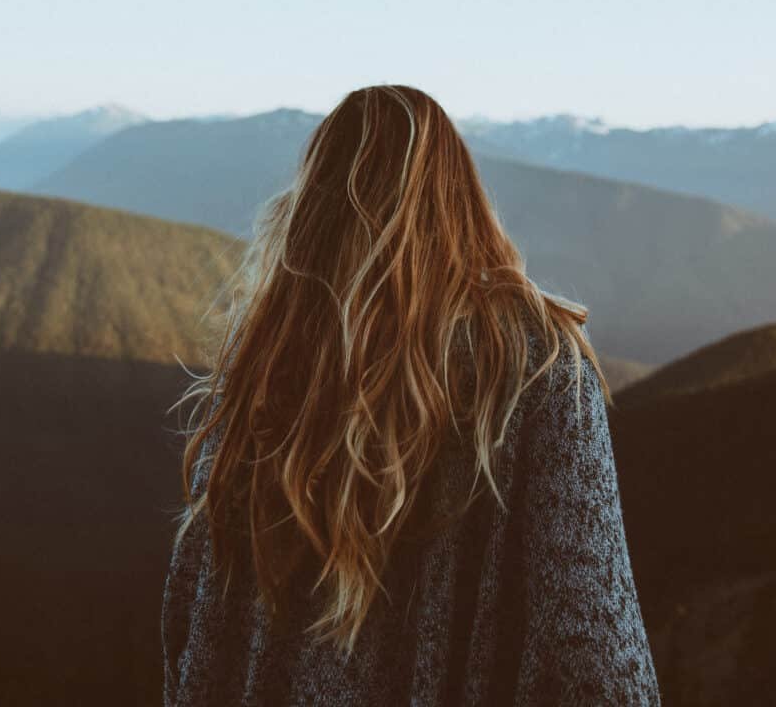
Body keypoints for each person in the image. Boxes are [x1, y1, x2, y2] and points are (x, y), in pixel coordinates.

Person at [161, 84, 661, 706]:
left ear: (311, 208)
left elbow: (193, 608)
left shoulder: (263, 362)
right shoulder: (538, 366)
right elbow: (595, 641)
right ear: (462, 201)